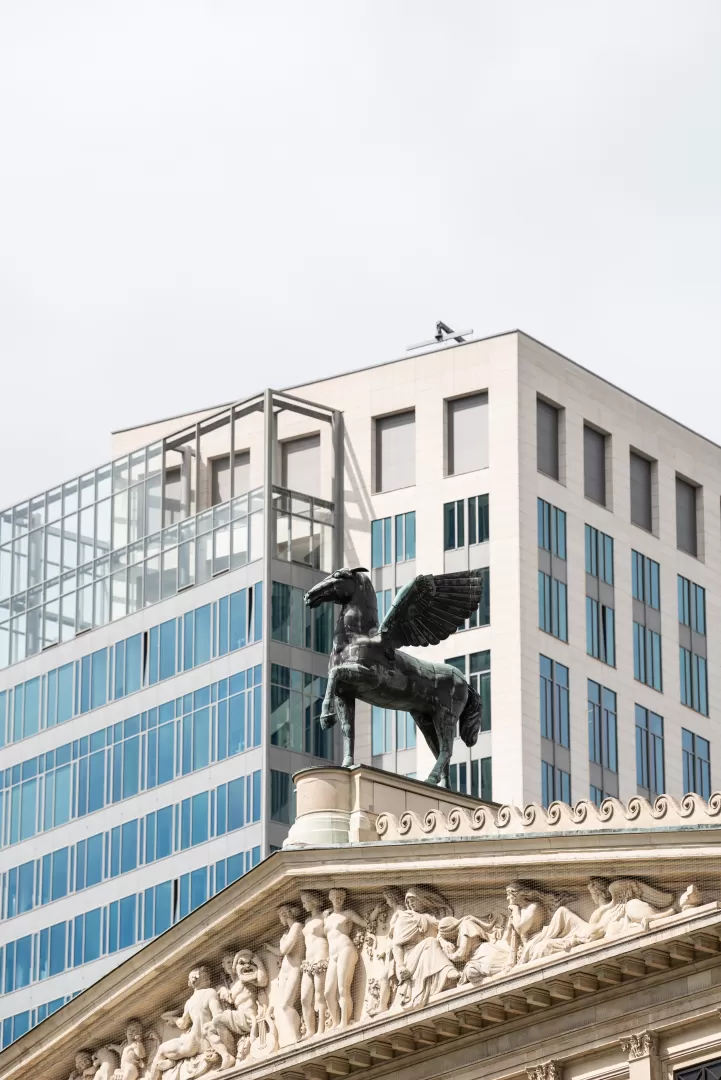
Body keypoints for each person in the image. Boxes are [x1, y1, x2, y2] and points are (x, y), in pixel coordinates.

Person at [390, 886, 459, 1008]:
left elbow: (442, 931)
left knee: (431, 942)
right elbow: (396, 945)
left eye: (413, 901)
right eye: (408, 902)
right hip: (410, 959)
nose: (411, 905)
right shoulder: (406, 917)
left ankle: (443, 977)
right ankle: (447, 971)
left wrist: (444, 941)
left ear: (422, 900)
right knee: (430, 942)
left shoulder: (430, 918)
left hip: (428, 954)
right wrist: (400, 966)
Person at [148, 966, 222, 1080]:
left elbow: (182, 1024)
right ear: (197, 980)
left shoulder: (190, 1001)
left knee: (162, 1049)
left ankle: (169, 1064)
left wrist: (173, 1018)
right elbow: (218, 1016)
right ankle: (172, 1062)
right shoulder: (211, 993)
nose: (209, 979)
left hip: (191, 1044)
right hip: (206, 1040)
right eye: (206, 977)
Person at [203, 950, 268, 1071]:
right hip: (238, 1018)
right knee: (207, 1029)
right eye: (226, 962)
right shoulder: (230, 985)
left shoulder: (244, 977)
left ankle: (230, 1056)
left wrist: (259, 964)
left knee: (218, 1019)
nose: (229, 964)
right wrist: (221, 989)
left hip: (248, 1016)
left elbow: (263, 981)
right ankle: (227, 1055)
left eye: (231, 961)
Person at [323, 888, 367, 1028]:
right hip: (332, 955)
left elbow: (365, 923)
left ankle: (344, 1022)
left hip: (345, 949)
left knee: (343, 988)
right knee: (328, 992)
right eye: (336, 897)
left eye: (341, 897)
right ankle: (335, 1022)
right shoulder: (327, 918)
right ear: (330, 898)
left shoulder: (348, 914)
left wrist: (376, 912)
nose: (339, 900)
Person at [263, 904, 304, 1044]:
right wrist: (269, 948)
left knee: (287, 1005)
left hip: (295, 969)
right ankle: (294, 1035)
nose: (280, 920)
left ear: (286, 915)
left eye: (280, 916)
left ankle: (297, 1036)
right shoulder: (287, 933)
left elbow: (285, 949)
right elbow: (280, 952)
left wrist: (281, 942)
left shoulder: (297, 927)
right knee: (284, 1006)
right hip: (285, 972)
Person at [299, 890, 330, 1037]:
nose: (303, 905)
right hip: (308, 960)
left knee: (319, 994)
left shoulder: (325, 916)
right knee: (305, 998)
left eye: (305, 902)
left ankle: (321, 1029)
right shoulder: (306, 922)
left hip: (320, 956)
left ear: (313, 901)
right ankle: (310, 1030)